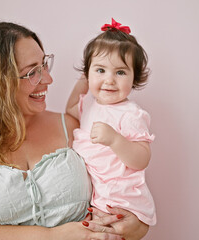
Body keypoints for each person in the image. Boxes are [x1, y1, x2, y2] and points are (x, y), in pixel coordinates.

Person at [0, 22, 149, 240]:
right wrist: (51, 236)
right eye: (31, 72)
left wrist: (135, 225)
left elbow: (121, 185)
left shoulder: (73, 127)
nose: (48, 79)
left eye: (44, 65)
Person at [66, 18, 157, 226]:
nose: (109, 80)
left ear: (134, 78)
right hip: (94, 196)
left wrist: (115, 140)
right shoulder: (89, 106)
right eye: (100, 70)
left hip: (121, 197)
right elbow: (70, 107)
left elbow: (142, 158)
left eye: (120, 72)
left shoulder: (130, 114)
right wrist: (84, 81)